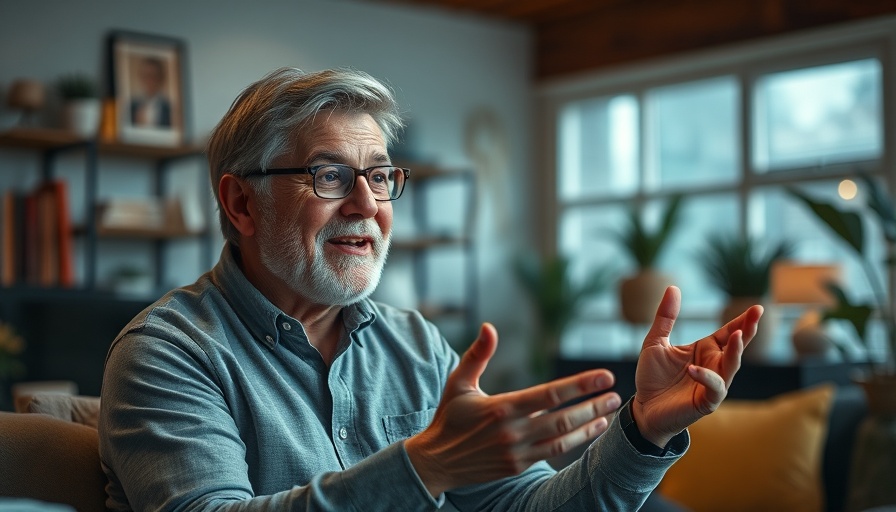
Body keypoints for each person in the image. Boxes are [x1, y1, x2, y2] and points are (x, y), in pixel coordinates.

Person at [98, 67, 763, 511]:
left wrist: (643, 432)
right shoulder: (167, 353)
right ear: (242, 204)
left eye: (381, 176)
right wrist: (424, 466)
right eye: (330, 176)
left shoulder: (413, 343)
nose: (366, 204)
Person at [129, 56, 172, 128]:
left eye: (154, 76)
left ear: (161, 78)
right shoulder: (132, 105)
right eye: (146, 75)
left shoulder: (169, 108)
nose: (150, 80)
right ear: (141, 77)